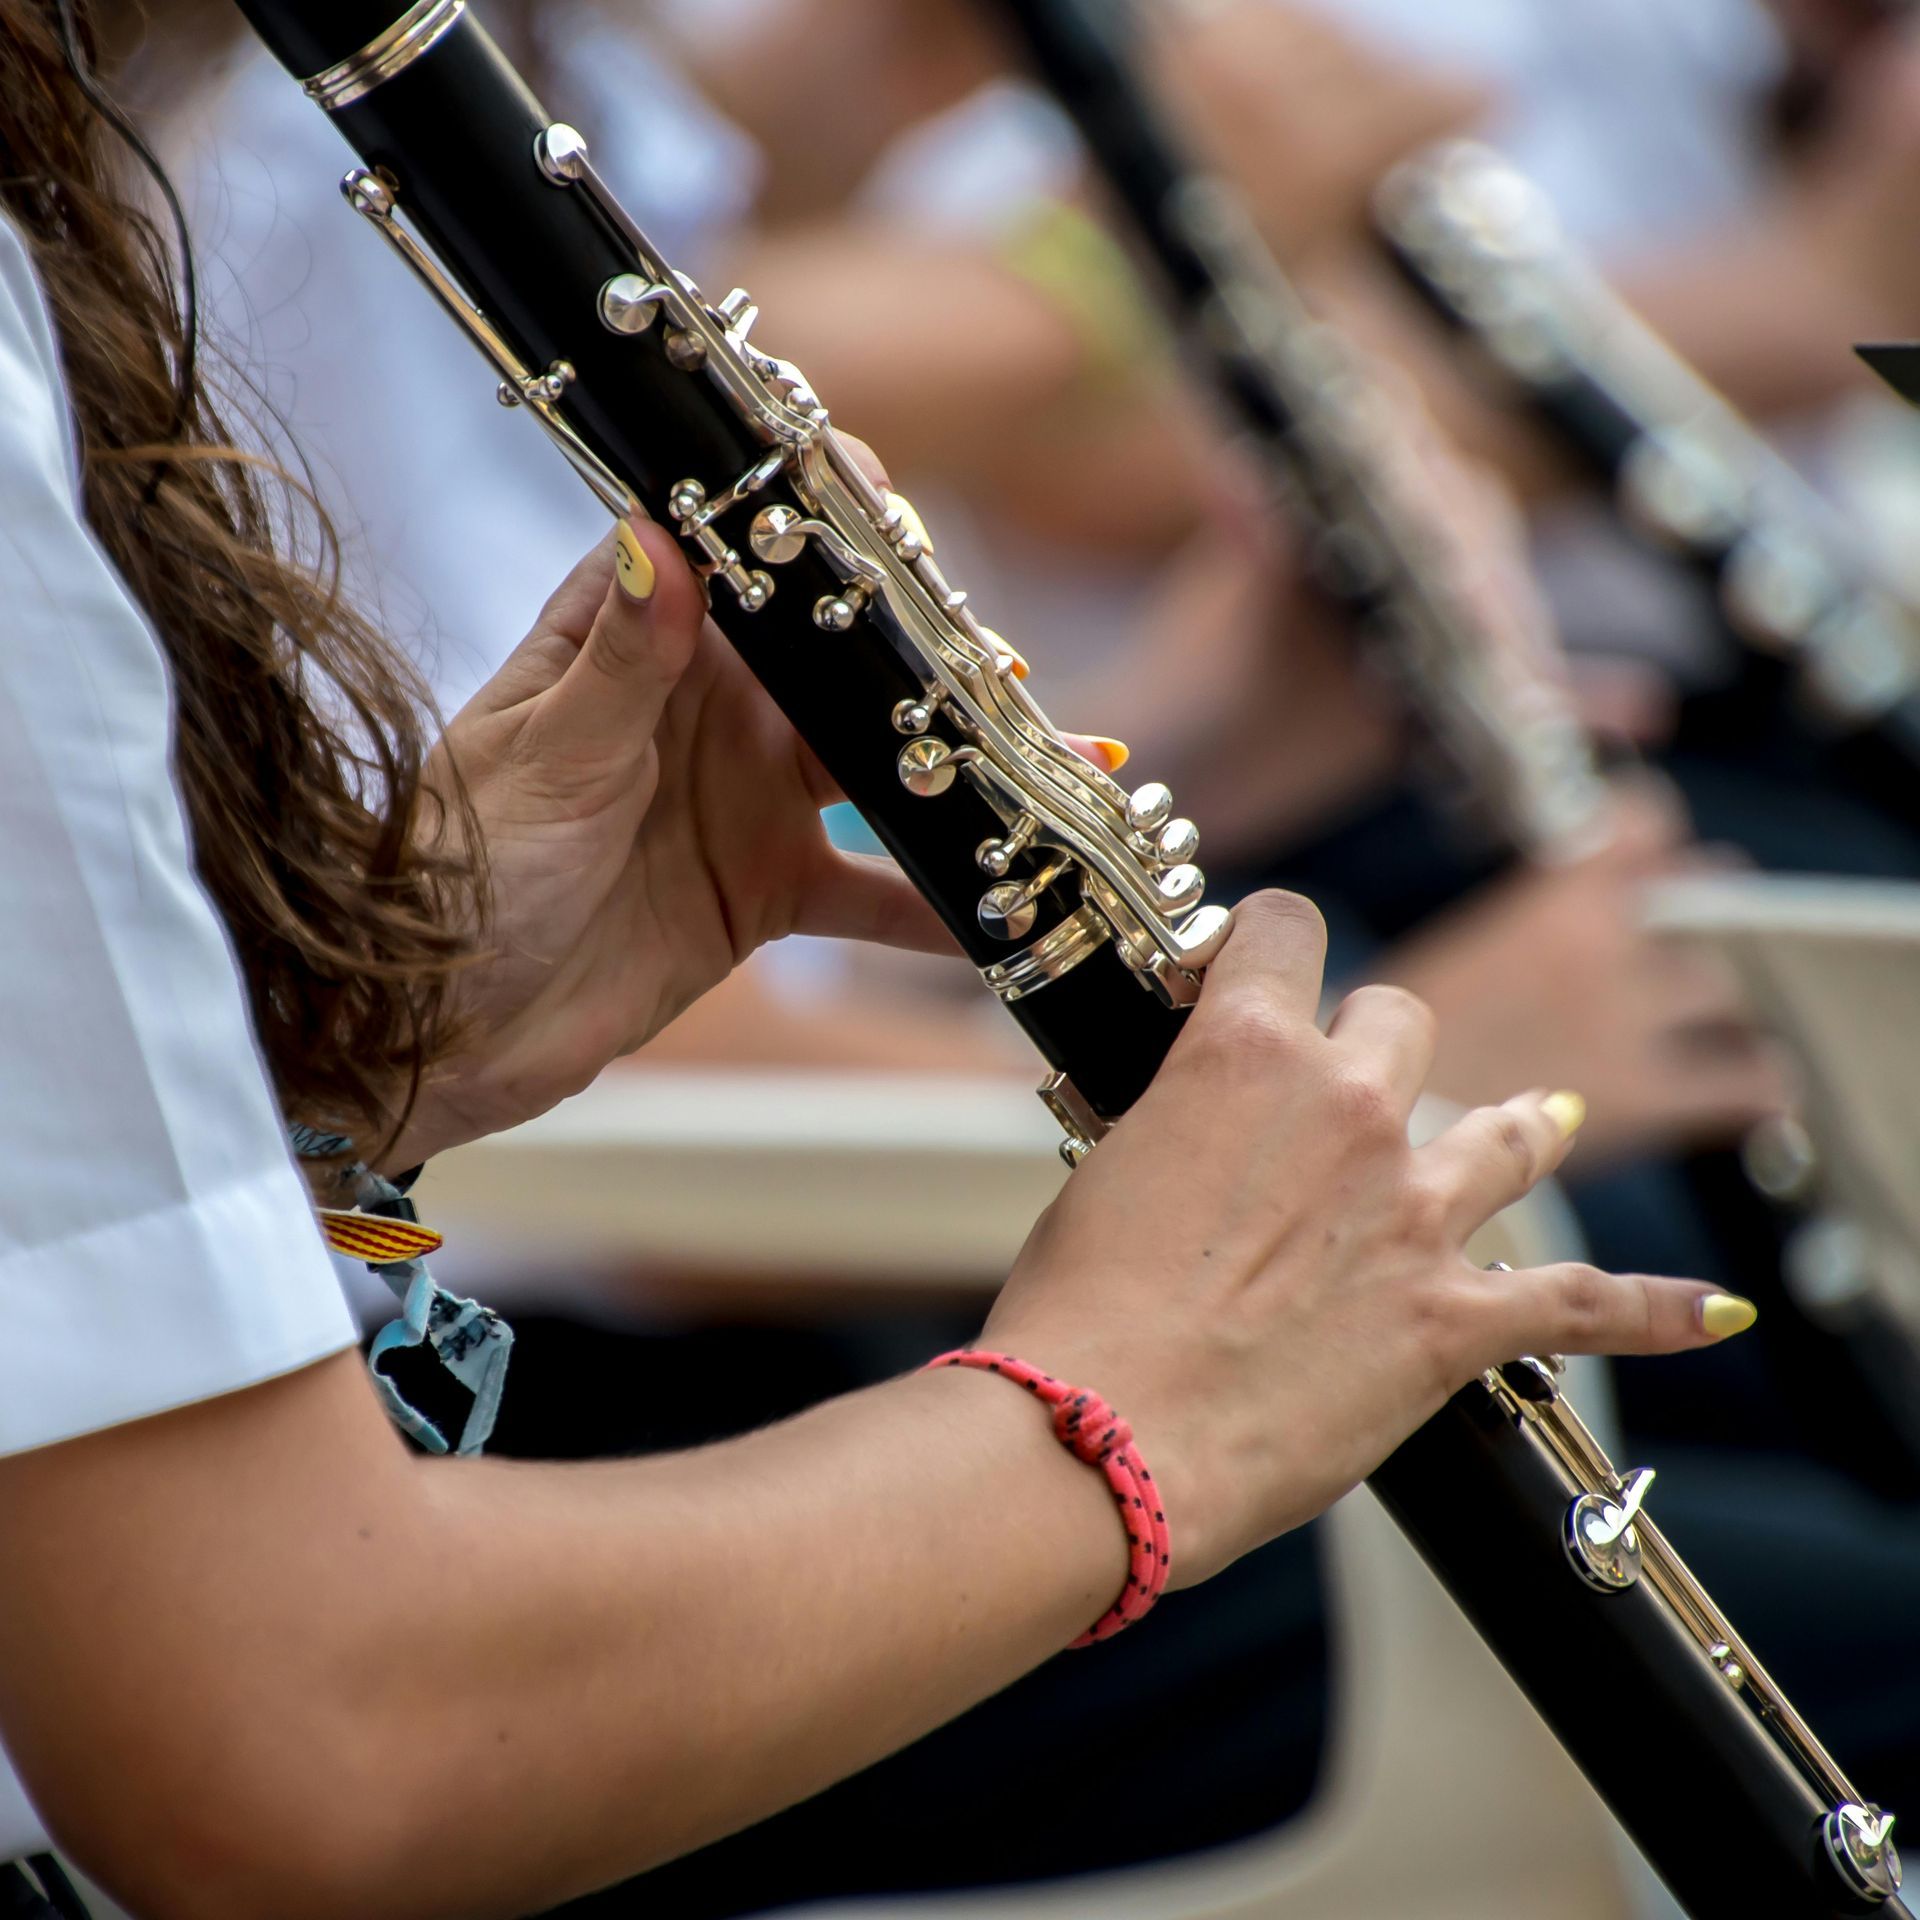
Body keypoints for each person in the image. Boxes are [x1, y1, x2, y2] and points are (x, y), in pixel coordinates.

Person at [0, 7, 1750, 1918]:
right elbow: (301, 1745)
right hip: (606, 1410)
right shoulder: (208, 176)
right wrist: (1147, 1400)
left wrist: (355, 1071)